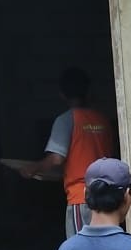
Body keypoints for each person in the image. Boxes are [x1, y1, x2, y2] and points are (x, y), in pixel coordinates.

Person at [19, 68, 116, 239]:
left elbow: (56, 158)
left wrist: (33, 168)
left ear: (62, 94)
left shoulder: (66, 119)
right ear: (89, 91)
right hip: (107, 195)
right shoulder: (103, 120)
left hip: (82, 197)